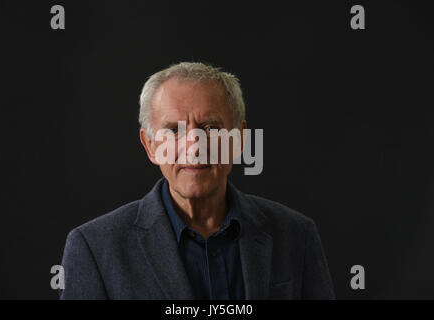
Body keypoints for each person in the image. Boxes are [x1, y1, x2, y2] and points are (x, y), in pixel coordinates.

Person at [59, 62, 335, 299]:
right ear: (150, 146)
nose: (194, 146)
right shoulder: (94, 247)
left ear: (239, 139)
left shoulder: (296, 235)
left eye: (210, 128)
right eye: (174, 130)